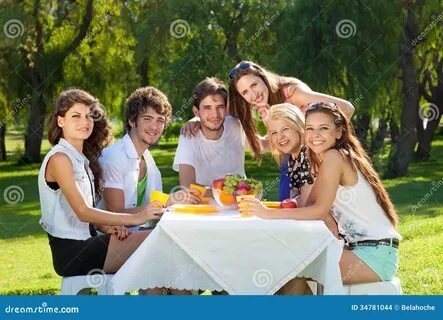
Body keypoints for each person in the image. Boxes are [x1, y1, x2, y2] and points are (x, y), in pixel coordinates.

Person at [240, 102, 401, 294]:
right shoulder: (325, 160)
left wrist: (267, 213)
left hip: (374, 255)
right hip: (362, 250)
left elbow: (318, 210)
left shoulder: (335, 156)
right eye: (310, 129)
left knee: (288, 268)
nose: (315, 135)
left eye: (323, 128)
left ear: (339, 132)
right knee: (284, 264)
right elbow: (308, 205)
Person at [182, 61, 355, 200]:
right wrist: (196, 119)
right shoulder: (262, 107)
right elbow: (214, 112)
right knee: (288, 210)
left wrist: (311, 134)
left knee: (317, 211)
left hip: (317, 159)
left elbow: (347, 108)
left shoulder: (291, 92)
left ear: (263, 77)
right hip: (291, 162)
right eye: (245, 92)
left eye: (254, 85)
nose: (253, 95)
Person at [38, 89, 164, 278]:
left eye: (89, 116)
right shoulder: (60, 158)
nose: (84, 122)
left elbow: (86, 216)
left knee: (158, 254)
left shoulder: (81, 160)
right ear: (60, 121)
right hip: (73, 253)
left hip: (88, 241)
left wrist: (106, 227)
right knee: (160, 240)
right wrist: (136, 218)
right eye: (76, 116)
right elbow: (82, 212)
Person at [99, 87, 199, 231]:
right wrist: (168, 200)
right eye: (147, 119)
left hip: (135, 236)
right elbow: (114, 216)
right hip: (108, 241)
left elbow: (154, 213)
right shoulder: (113, 157)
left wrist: (178, 202)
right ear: (132, 121)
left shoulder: (150, 163)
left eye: (160, 120)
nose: (154, 127)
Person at [173, 77, 246, 191]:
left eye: (220, 107)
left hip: (240, 203)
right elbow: (187, 187)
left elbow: (261, 145)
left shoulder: (236, 125)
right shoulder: (189, 135)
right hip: (204, 205)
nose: (215, 114)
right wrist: (228, 192)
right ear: (197, 112)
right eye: (207, 108)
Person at [265, 103, 314, 206]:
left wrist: (266, 212)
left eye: (285, 129)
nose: (280, 137)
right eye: (274, 133)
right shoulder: (292, 160)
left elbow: (305, 206)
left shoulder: (308, 155)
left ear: (298, 126)